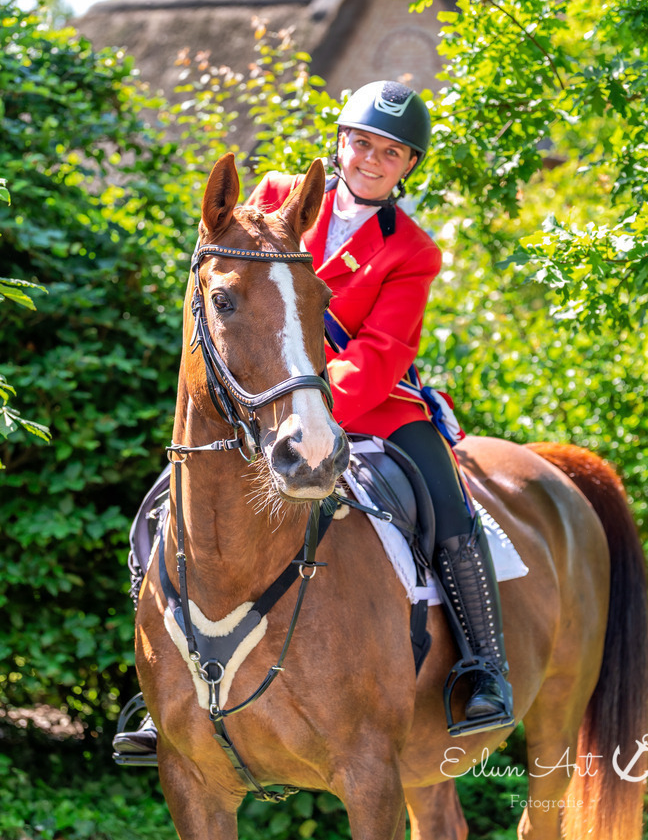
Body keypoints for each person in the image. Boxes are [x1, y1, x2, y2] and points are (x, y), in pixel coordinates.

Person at [113, 80, 513, 758]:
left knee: (449, 506)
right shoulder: (279, 195)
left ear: (408, 165)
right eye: (362, 144)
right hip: (269, 398)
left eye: (390, 152)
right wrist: (278, 401)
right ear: (341, 142)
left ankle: (483, 667)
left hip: (372, 402)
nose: (371, 160)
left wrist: (313, 409)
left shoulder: (413, 250)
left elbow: (384, 351)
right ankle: (159, 685)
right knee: (160, 507)